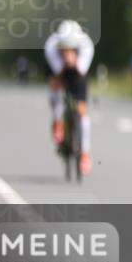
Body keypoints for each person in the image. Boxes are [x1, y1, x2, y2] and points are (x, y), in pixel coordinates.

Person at [44, 20, 95, 174]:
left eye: (71, 48)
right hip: (58, 71)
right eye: (64, 48)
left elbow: (80, 73)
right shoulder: (51, 47)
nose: (67, 50)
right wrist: (65, 61)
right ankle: (57, 121)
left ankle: (85, 153)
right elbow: (58, 76)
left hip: (78, 71)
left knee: (82, 111)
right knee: (56, 90)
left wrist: (72, 61)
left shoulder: (86, 45)